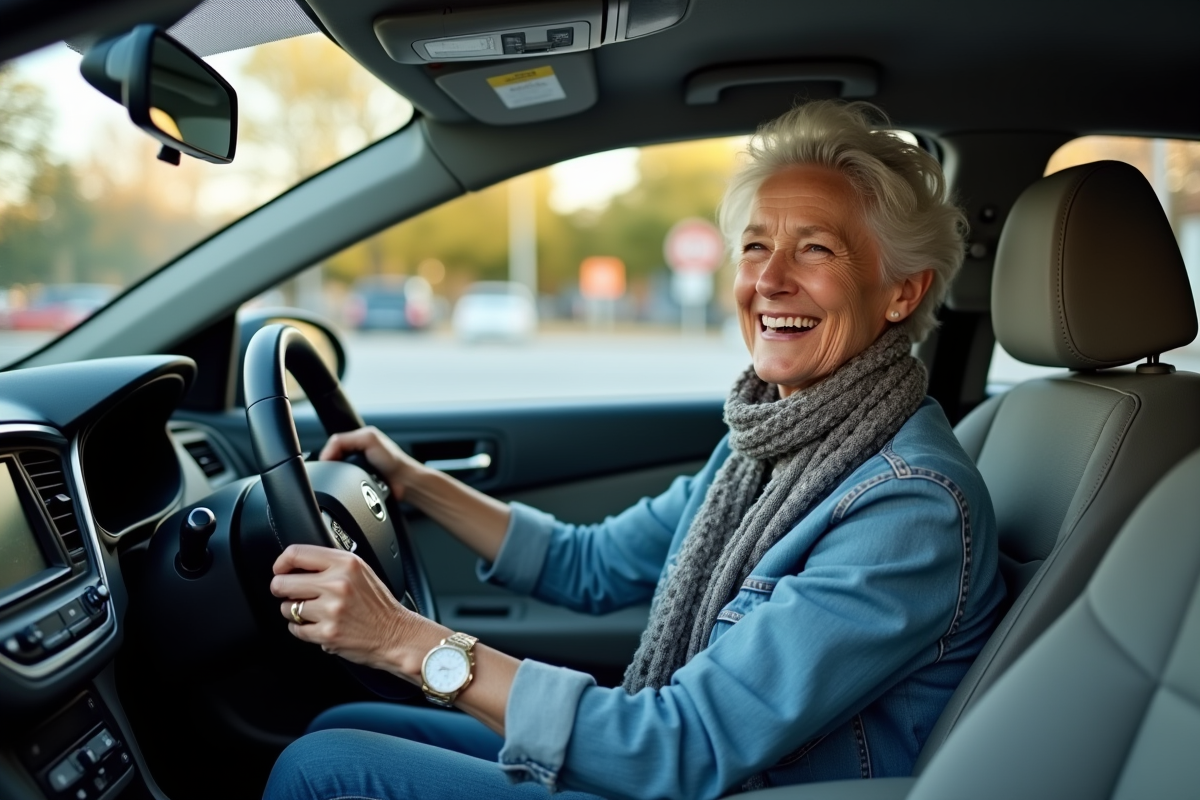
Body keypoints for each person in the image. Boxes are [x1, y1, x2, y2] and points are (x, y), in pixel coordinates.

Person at [263, 99, 1005, 800]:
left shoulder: (908, 506)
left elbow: (682, 746)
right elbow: (589, 564)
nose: (769, 280)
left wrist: (402, 639)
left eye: (815, 249)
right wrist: (414, 481)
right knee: (344, 724)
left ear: (902, 292)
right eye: (755, 247)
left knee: (321, 771)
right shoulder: (767, 447)